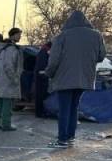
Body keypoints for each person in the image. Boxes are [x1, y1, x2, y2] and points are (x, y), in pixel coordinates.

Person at [44, 11, 106, 148]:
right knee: (74, 107)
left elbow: (54, 60)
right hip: (85, 78)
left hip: (64, 78)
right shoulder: (97, 36)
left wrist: (48, 73)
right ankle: (70, 137)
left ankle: (62, 140)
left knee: (64, 109)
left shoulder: (62, 36)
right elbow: (101, 56)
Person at [0, 28, 23, 131]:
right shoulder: (11, 49)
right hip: (8, 81)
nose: (20, 37)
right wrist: (14, 79)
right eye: (18, 35)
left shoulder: (1, 49)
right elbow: (9, 66)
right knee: (7, 103)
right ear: (13, 35)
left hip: (0, 80)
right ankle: (6, 124)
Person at [32, 41, 52, 118]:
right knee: (40, 96)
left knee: (40, 95)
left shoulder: (42, 52)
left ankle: (40, 112)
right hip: (41, 78)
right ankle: (40, 113)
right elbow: (42, 67)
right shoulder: (43, 53)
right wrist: (46, 75)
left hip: (40, 77)